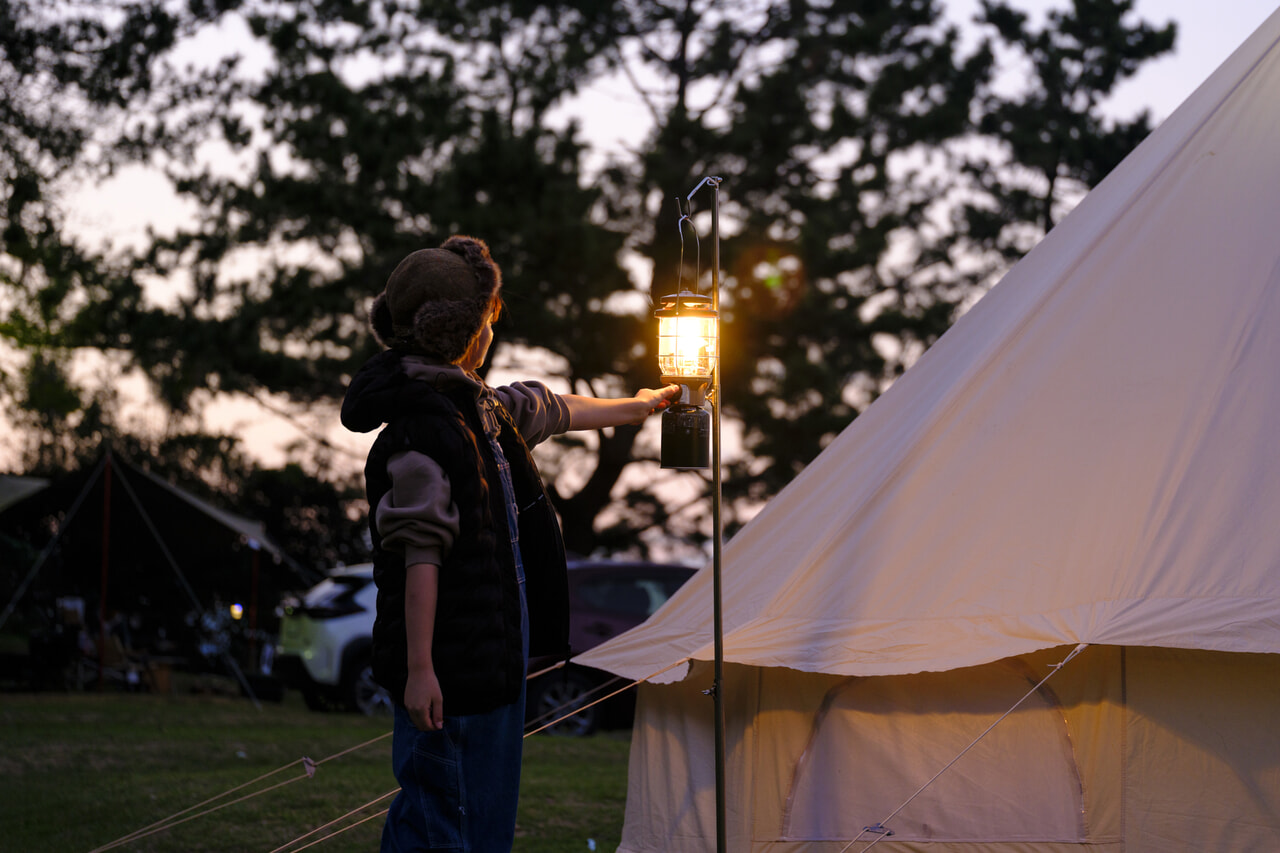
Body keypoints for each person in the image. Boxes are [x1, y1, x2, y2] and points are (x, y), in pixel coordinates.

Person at [340, 235, 678, 852]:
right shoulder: (421, 433)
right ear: (463, 329)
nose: (492, 334)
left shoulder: (481, 413)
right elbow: (421, 558)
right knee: (443, 828)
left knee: (481, 829)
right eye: (489, 319)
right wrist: (420, 671)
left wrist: (640, 406)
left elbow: (551, 407)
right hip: (451, 680)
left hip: (493, 669)